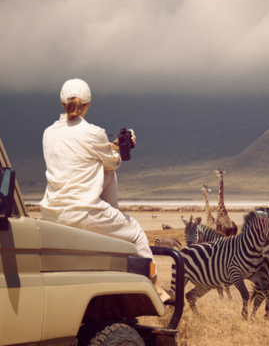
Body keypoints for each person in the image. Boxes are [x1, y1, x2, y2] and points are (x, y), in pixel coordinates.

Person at [39, 78, 171, 303]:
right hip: (84, 213)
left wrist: (113, 145)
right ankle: (157, 288)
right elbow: (112, 162)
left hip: (51, 214)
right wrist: (122, 147)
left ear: (62, 103)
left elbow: (82, 150)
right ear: (88, 104)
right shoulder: (94, 132)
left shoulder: (48, 133)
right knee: (137, 232)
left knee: (106, 172)